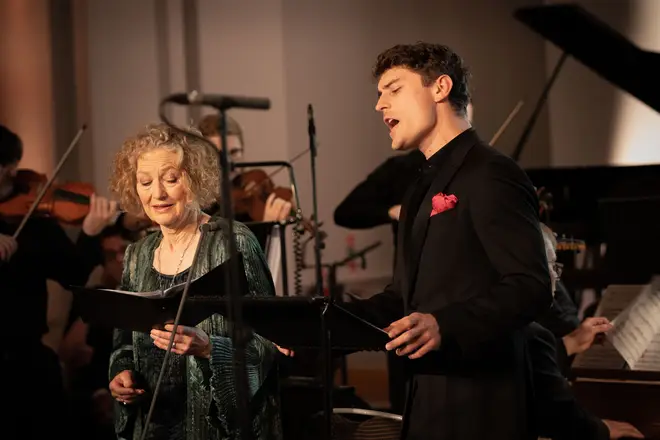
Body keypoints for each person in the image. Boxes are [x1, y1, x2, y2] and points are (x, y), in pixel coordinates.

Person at [345, 42, 553, 440]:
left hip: (481, 402)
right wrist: (316, 331)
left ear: (440, 88)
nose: (379, 105)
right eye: (379, 94)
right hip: (426, 396)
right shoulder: (421, 184)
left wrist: (446, 324)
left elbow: (531, 285)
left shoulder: (491, 172)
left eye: (393, 89)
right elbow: (400, 300)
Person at [106, 123, 284, 440]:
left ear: (196, 178)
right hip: (153, 426)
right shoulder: (137, 255)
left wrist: (209, 349)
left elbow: (270, 343)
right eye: (145, 182)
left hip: (216, 429)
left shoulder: (233, 242)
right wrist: (121, 373)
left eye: (171, 179)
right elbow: (124, 342)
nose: (157, 193)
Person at [0, 124, 114, 438]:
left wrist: (90, 234)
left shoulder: (35, 217)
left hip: (26, 359)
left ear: (10, 168)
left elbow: (72, 274)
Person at [197, 113, 292, 223]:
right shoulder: (198, 205)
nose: (229, 161)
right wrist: (267, 226)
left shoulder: (255, 182)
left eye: (234, 152)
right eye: (219, 154)